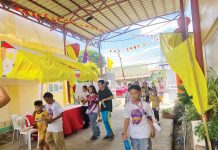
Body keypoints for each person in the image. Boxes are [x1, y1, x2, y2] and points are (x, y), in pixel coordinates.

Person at [122, 85, 155, 150]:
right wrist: (125, 133)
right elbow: (126, 120)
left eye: (135, 93)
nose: (133, 95)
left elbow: (150, 118)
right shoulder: (127, 106)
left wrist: (152, 129)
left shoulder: (145, 105)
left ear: (140, 93)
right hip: (133, 134)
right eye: (131, 93)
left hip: (144, 133)